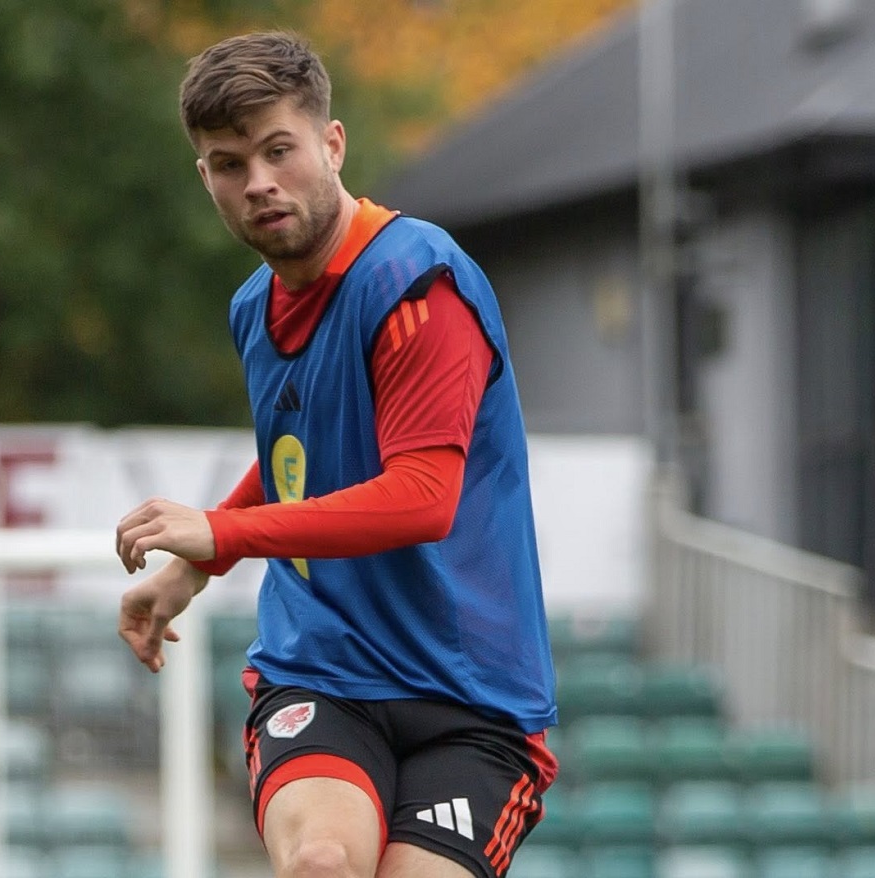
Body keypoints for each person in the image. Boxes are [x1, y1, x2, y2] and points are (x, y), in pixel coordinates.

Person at [115, 31, 558, 878]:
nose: (258, 184)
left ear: (332, 143)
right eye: (227, 164)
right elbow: (302, 454)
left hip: (472, 699)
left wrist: (223, 535)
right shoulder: (255, 306)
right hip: (322, 670)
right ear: (203, 177)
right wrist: (196, 569)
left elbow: (423, 495)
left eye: (278, 150)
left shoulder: (417, 282)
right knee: (320, 863)